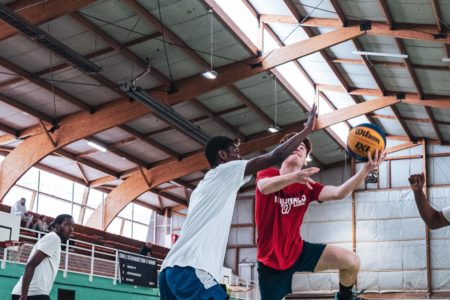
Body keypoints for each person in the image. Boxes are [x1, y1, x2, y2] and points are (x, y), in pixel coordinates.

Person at [159, 105, 319, 299]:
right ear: (222, 155)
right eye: (235, 151)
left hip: (169, 271)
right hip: (191, 268)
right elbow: (275, 156)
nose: (240, 157)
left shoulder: (204, 186)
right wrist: (307, 130)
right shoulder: (225, 171)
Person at [255, 132, 386, 300]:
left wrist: (365, 171)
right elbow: (265, 188)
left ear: (305, 159)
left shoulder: (308, 185)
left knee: (351, 261)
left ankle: (345, 298)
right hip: (270, 260)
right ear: (282, 152)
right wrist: (295, 177)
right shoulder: (268, 173)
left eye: (302, 147)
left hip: (297, 250)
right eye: (293, 145)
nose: (298, 148)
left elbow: (339, 193)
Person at [11, 214, 74, 300]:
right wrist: (23, 297)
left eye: (72, 226)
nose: (70, 229)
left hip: (34, 294)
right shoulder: (54, 238)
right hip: (32, 294)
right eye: (67, 225)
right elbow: (31, 265)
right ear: (57, 226)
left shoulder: (54, 239)